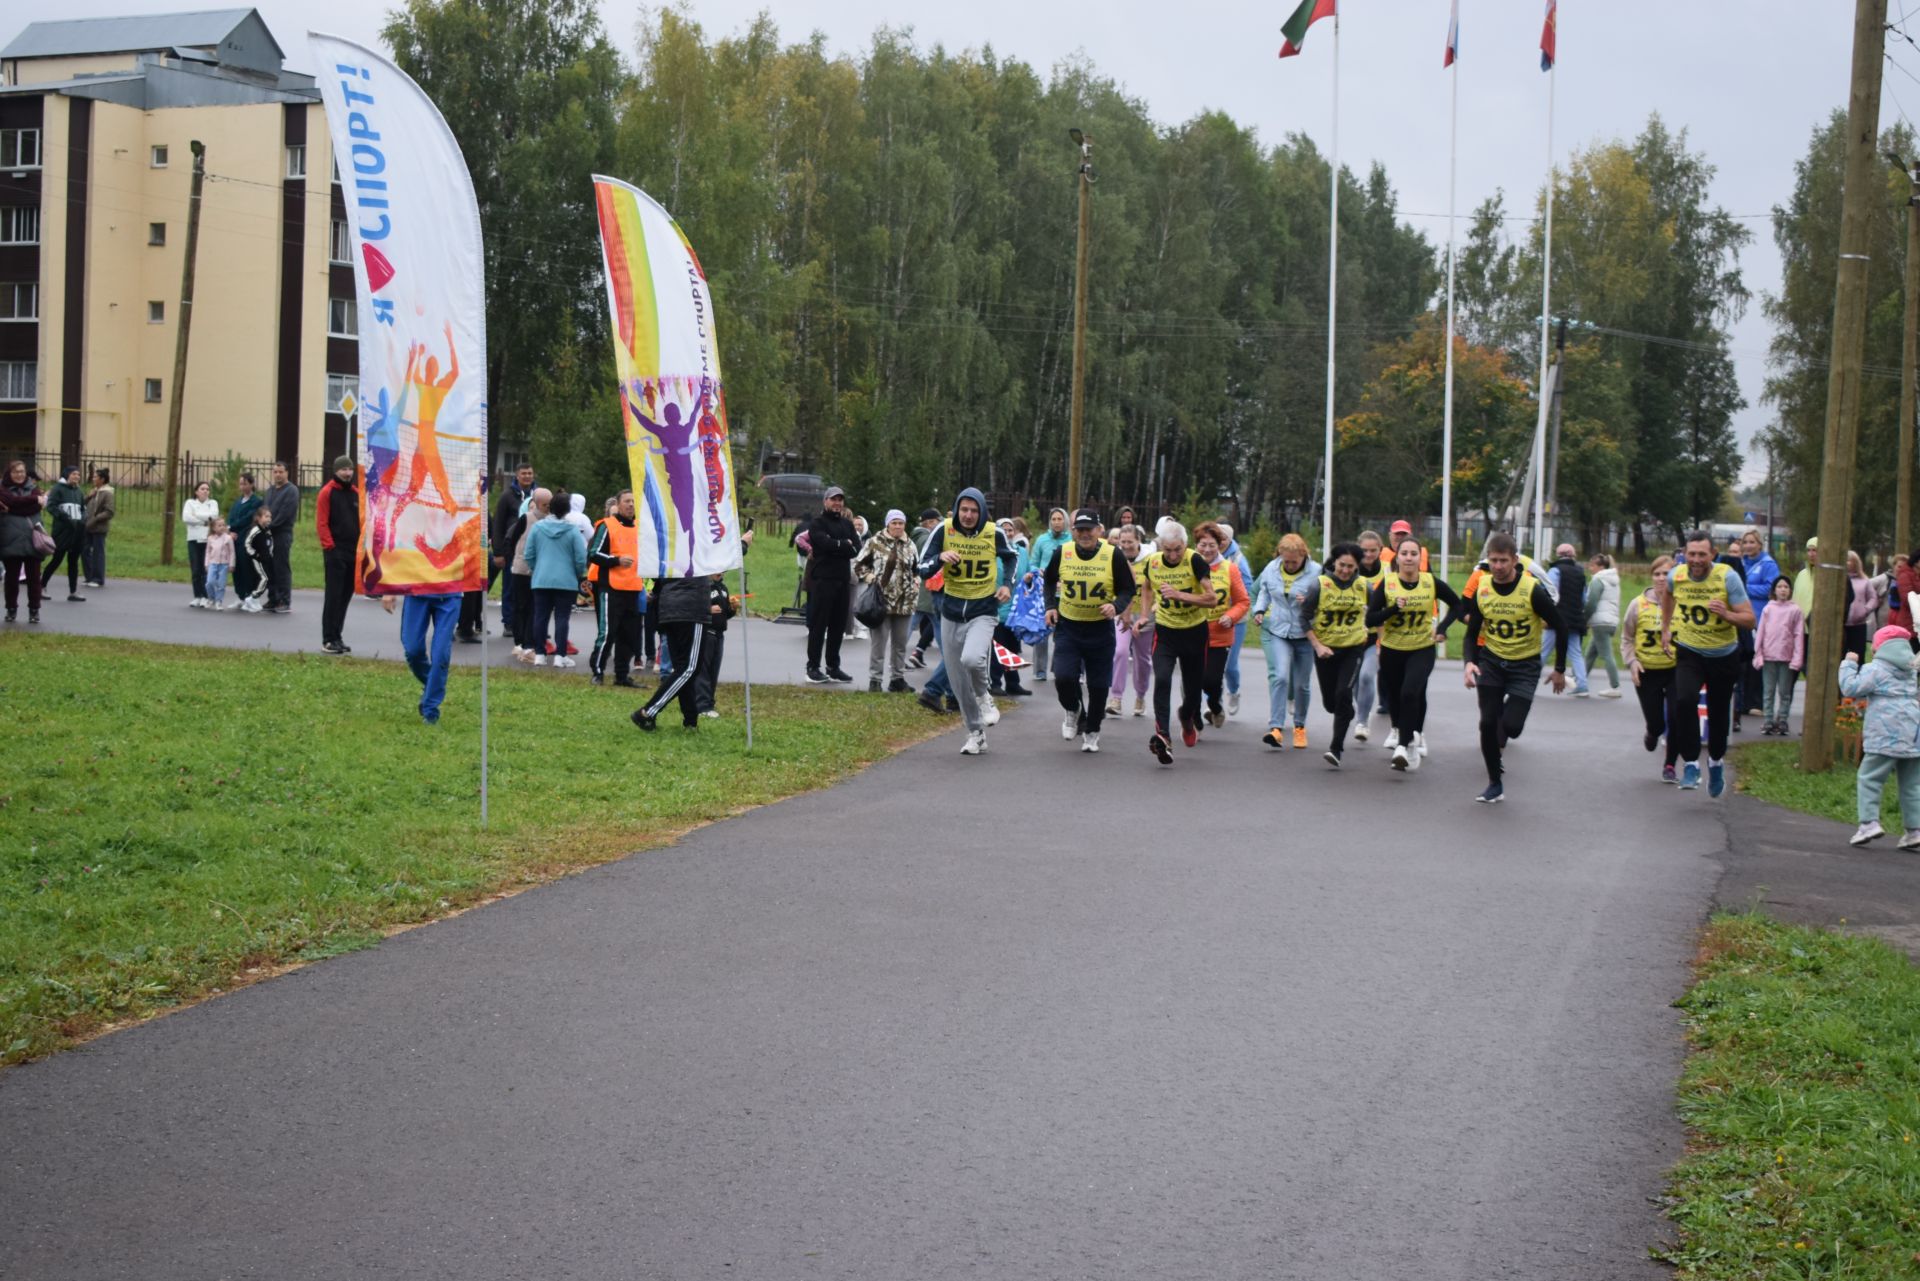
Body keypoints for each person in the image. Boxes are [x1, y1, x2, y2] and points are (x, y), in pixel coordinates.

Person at [1461, 532, 1568, 804]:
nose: (1497, 566)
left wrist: (1559, 669)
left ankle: (1504, 732)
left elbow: (1561, 626)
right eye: (1493, 560)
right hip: (1492, 662)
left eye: (1503, 561)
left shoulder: (1531, 589)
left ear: (1515, 560)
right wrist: (1469, 663)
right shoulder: (1483, 588)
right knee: (1487, 723)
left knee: (1512, 726)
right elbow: (1471, 633)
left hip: (1525, 665)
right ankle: (1494, 782)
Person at [916, 487, 1018, 756]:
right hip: (950, 611)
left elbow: (1011, 557)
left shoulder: (993, 532)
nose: (969, 515)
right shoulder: (944, 530)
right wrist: (939, 558)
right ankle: (975, 733)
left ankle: (985, 697)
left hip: (983, 609)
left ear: (982, 511)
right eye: (964, 510)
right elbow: (921, 566)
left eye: (974, 510)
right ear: (957, 510)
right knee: (958, 681)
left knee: (972, 659)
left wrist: (1007, 585)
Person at [1661, 529, 1758, 797]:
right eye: (1691, 554)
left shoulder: (1727, 577)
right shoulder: (1676, 575)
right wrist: (1666, 628)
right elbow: (1667, 594)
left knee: (1717, 716)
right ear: (1684, 555)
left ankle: (1715, 762)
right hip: (1689, 650)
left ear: (1713, 554)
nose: (1696, 559)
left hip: (1723, 655)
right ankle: (1691, 764)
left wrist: (1726, 614)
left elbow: (1750, 620)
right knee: (1684, 700)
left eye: (1702, 554)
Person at [1044, 508, 1136, 752]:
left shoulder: (1112, 554)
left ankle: (1092, 730)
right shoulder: (1062, 552)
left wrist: (1115, 606)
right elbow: (1049, 580)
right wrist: (1050, 606)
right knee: (1063, 677)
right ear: (1073, 531)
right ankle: (1073, 709)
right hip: (1069, 626)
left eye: (1089, 529)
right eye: (1080, 530)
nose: (1085, 534)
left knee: (1098, 686)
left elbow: (1128, 588)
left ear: (1099, 530)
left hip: (1099, 630)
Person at [1368, 533, 1462, 771]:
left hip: (1422, 648)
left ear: (1420, 558)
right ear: (1396, 557)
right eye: (1404, 553)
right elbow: (1370, 618)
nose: (1409, 558)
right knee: (1398, 695)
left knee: (1411, 691)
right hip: (1392, 649)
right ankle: (1407, 733)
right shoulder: (1387, 584)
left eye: (1413, 554)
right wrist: (1392, 610)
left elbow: (1458, 605)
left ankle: (1403, 745)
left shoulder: (1430, 582)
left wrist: (1441, 627)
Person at [1141, 520, 1217, 764]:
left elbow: (1212, 599)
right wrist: (1144, 615)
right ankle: (1163, 735)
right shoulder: (1153, 562)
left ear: (1185, 545)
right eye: (1168, 550)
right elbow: (1146, 587)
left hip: (1194, 632)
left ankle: (1186, 717)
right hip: (1165, 632)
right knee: (1162, 679)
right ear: (1160, 546)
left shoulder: (1194, 560)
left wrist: (1179, 594)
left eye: (1177, 549)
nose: (1173, 555)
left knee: (1193, 692)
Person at [1839, 625, 1920, 847]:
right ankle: (1915, 830)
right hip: (1913, 731)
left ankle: (1868, 824)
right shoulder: (1911, 669)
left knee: (1870, 777)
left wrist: (1849, 664)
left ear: (1878, 649)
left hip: (1885, 731)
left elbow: (1850, 688)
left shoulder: (1876, 669)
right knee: (1912, 784)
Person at [1303, 540, 1372, 768]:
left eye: (1350, 567)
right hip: (1326, 650)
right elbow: (1303, 617)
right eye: (1342, 565)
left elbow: (1379, 609)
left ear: (1357, 567)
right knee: (1332, 704)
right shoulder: (1319, 585)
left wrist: (1373, 634)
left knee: (1344, 693)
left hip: (1353, 648)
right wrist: (1317, 645)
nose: (1345, 571)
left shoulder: (1364, 586)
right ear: (1334, 562)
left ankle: (1336, 748)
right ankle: (1346, 712)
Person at [1250, 532, 1320, 750]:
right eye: (1285, 561)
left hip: (1305, 633)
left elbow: (1328, 598)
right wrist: (1259, 610)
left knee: (1301, 684)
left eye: (1294, 561)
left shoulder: (1317, 571)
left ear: (1303, 556)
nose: (1289, 565)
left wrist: (1310, 601)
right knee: (1280, 677)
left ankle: (1299, 727)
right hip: (1279, 631)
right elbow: (1264, 591)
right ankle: (1276, 729)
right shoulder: (1272, 568)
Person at [631, 573, 719, 732]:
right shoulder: (697, 548)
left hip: (668, 608)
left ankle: (691, 722)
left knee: (682, 669)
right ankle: (647, 712)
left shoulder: (671, 548)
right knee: (689, 669)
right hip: (692, 608)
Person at [1622, 556, 1681, 782]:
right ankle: (1652, 732)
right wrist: (1632, 662)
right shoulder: (1638, 605)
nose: (1661, 578)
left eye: (1666, 574)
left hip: (1675, 669)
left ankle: (1669, 765)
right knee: (1657, 724)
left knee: (1676, 717)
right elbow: (1627, 638)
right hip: (1647, 671)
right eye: (1657, 574)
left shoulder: (1680, 603)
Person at [465, 462, 533, 643]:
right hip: (511, 550)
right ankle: (509, 623)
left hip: (532, 551)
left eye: (529, 473)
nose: (527, 476)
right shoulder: (507, 496)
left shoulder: (538, 495)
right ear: (517, 476)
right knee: (510, 588)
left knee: (531, 589)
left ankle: (529, 624)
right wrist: (498, 552)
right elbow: (497, 524)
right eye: (524, 473)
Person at [853, 509, 921, 693]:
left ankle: (897, 679)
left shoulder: (910, 545)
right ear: (888, 524)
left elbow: (916, 569)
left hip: (905, 602)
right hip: (880, 601)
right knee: (879, 644)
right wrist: (869, 577)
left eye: (901, 523)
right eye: (894, 523)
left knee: (900, 644)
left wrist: (916, 580)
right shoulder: (875, 543)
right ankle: (875, 680)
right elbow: (858, 564)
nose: (898, 526)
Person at [1194, 522, 1250, 732]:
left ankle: (1215, 706)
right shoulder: (1188, 565)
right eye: (1202, 544)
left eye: (1212, 545)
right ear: (1196, 545)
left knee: (1211, 680)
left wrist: (1230, 616)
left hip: (1219, 635)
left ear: (1220, 546)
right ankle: (1193, 719)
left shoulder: (1230, 569)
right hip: (1190, 632)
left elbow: (1243, 601)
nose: (1207, 550)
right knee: (1192, 678)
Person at [587, 490, 646, 688]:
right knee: (607, 633)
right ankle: (598, 671)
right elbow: (593, 554)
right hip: (611, 587)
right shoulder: (607, 525)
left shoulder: (641, 527)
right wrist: (616, 560)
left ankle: (622, 675)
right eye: (627, 501)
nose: (631, 505)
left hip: (634, 587)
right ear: (618, 505)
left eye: (633, 502)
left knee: (629, 635)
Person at [802, 486, 860, 683]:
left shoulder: (847, 524)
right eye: (833, 499)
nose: (837, 503)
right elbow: (822, 543)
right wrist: (842, 545)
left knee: (838, 625)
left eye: (840, 500)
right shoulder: (817, 523)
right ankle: (813, 666)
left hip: (842, 581)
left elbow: (856, 548)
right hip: (822, 581)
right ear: (825, 501)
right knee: (819, 625)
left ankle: (833, 666)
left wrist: (838, 545)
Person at [523, 494, 586, 668]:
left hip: (541, 579)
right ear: (567, 510)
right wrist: (577, 572)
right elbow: (580, 557)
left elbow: (528, 554)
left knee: (540, 617)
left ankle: (540, 655)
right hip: (566, 581)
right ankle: (560, 656)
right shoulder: (573, 530)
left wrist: (538, 568)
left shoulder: (538, 528)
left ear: (550, 508)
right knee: (562, 618)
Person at [383, 590, 461, 725]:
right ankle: (432, 685)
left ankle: (430, 711)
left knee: (441, 654)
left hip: (450, 594)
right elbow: (398, 567)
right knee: (413, 650)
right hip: (417, 592)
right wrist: (390, 590)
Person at [315, 456, 361, 655]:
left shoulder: (355, 494)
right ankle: (328, 639)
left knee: (344, 597)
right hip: (335, 553)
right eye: (343, 469)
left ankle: (338, 636)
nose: (347, 473)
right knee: (333, 597)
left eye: (350, 469)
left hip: (353, 553)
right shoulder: (327, 492)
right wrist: (330, 547)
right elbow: (322, 523)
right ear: (336, 471)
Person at [1107, 524, 1152, 718]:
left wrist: (1147, 614)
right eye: (1122, 542)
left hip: (1145, 616)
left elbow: (1153, 590)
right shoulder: (1116, 559)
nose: (1125, 545)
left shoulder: (1150, 560)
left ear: (1138, 541)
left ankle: (1140, 696)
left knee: (1142, 660)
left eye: (1129, 542)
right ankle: (1116, 698)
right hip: (1122, 613)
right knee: (1120, 652)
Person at [1025, 508, 1073, 682]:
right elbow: (1032, 562)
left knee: (1063, 634)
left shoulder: (1071, 540)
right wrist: (1037, 571)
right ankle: (1039, 670)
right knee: (1042, 632)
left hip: (1066, 592)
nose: (1057, 522)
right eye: (1054, 518)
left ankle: (1059, 668)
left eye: (1060, 519)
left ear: (1065, 521)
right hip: (1044, 591)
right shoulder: (1042, 540)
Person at [1752, 575, 1804, 736]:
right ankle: (1768, 720)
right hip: (1768, 656)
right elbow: (1761, 632)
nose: (1783, 590)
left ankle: (1782, 720)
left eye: (1786, 587)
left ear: (1790, 591)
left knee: (1784, 691)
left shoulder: (1795, 610)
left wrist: (1797, 658)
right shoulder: (1768, 609)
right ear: (1774, 590)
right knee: (1768, 691)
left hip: (1786, 658)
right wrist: (1758, 653)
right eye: (1780, 587)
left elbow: (1798, 635)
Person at [504, 488, 548, 660]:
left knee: (534, 607)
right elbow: (512, 539)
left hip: (540, 571)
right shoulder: (526, 518)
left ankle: (530, 642)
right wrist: (513, 559)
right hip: (521, 569)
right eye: (545, 504)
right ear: (536, 504)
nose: (547, 508)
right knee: (520, 606)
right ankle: (519, 641)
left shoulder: (551, 520)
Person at [1218, 522, 1257, 717]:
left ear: (1230, 539)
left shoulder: (1238, 559)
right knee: (1213, 663)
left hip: (1236, 619)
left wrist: (1235, 607)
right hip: (1212, 616)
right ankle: (1214, 701)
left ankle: (1233, 692)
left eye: (1224, 538)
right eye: (1217, 537)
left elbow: (1248, 587)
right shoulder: (1206, 557)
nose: (1220, 541)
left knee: (1229, 664)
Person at [1540, 543, 1590, 697]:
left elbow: (1549, 592)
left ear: (1558, 554)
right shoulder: (1580, 572)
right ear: (1573, 555)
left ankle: (1527, 680)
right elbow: (1584, 598)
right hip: (1575, 617)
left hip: (1557, 617)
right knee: (1575, 652)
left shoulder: (1555, 571)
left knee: (1543, 651)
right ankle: (1582, 685)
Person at [0, 459, 46, 624]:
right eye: (15, 472)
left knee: (34, 579)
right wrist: (34, 500)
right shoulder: (3, 488)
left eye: (22, 471)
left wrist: (13, 509)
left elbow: (29, 508)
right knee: (11, 580)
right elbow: (11, 501)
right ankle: (11, 609)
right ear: (9, 473)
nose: (19, 475)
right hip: (10, 541)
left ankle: (34, 610)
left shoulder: (34, 488)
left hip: (33, 540)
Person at [1351, 529, 1388, 732]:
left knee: (1367, 676)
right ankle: (1362, 711)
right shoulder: (1350, 569)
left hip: (1376, 635)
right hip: (1352, 635)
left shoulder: (1388, 571)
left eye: (1373, 550)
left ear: (1380, 550)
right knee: (1356, 681)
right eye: (1364, 550)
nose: (1368, 554)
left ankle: (1362, 723)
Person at [39, 465, 86, 602]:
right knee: (57, 560)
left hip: (77, 531)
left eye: (78, 474)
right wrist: (65, 517)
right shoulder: (58, 489)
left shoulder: (79, 491)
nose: (76, 477)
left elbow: (83, 508)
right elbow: (51, 506)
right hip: (62, 532)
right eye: (73, 474)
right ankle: (41, 587)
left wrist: (83, 519)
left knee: (74, 562)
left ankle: (73, 591)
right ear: (66, 475)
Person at [694, 573, 736, 717]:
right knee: (703, 671)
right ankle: (702, 706)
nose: (720, 572)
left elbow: (725, 614)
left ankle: (709, 703)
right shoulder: (701, 586)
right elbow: (692, 607)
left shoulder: (723, 588)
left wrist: (732, 608)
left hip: (719, 634)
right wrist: (707, 609)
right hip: (706, 632)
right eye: (716, 569)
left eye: (723, 569)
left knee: (713, 671)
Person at [1583, 553, 1623, 698]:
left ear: (1601, 567)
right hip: (1611, 620)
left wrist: (1584, 619)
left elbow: (1592, 602)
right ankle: (1580, 681)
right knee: (1591, 653)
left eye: (1592, 565)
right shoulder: (1613, 580)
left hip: (1600, 621)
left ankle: (1615, 686)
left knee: (1606, 654)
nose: (1589, 568)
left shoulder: (1598, 580)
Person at [906, 508, 942, 669]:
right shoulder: (927, 538)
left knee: (922, 623)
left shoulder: (917, 537)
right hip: (927, 586)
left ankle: (899, 657)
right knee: (937, 625)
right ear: (929, 523)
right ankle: (948, 659)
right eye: (937, 521)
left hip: (922, 587)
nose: (939, 524)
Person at [224, 472, 264, 605]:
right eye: (241, 484)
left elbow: (248, 518)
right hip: (234, 539)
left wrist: (232, 526)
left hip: (246, 539)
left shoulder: (257, 501)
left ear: (251, 484)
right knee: (237, 568)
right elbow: (231, 517)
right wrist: (229, 530)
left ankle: (249, 595)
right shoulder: (237, 502)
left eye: (245, 484)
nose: (242, 486)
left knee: (247, 567)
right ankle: (240, 595)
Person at [264, 461, 298, 612]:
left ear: (286, 473)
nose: (278, 474)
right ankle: (273, 599)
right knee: (269, 567)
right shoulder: (270, 490)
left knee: (281, 567)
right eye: (275, 472)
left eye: (280, 472)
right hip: (267, 534)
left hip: (282, 533)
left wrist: (270, 526)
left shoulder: (291, 490)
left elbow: (285, 513)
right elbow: (264, 510)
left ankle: (284, 600)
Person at [181, 480, 219, 608]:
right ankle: (197, 596)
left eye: (207, 489)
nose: (205, 491)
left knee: (205, 568)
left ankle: (206, 596)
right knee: (195, 569)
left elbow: (214, 516)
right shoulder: (190, 503)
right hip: (193, 539)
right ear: (196, 491)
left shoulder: (213, 503)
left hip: (208, 539)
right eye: (202, 489)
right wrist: (204, 521)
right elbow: (186, 518)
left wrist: (196, 517)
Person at [82, 467, 115, 588]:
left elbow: (109, 512)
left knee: (98, 553)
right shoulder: (95, 491)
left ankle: (98, 578)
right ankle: (89, 576)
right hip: (88, 527)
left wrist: (95, 519)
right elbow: (83, 504)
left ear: (102, 479)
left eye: (96, 477)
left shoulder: (108, 493)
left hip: (99, 528)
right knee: (85, 551)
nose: (93, 478)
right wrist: (89, 496)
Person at [1843, 550, 1878, 661]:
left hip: (1858, 624)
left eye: (1849, 560)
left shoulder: (1864, 581)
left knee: (1858, 654)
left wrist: (1865, 609)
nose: (1847, 563)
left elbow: (1873, 598)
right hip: (1842, 624)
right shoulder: (1840, 580)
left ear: (1855, 563)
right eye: (1845, 560)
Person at [241, 507, 275, 613]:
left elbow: (270, 543)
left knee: (265, 579)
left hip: (266, 559)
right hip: (257, 559)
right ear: (258, 518)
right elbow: (247, 543)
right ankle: (252, 598)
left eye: (270, 516)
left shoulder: (267, 530)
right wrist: (255, 555)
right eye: (266, 516)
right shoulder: (255, 530)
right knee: (265, 579)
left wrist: (270, 554)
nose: (269, 519)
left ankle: (250, 603)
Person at [204, 518, 235, 611]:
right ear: (213, 528)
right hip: (213, 563)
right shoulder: (210, 538)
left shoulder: (228, 538)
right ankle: (211, 598)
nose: (222, 527)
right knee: (209, 582)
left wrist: (231, 564)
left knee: (221, 585)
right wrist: (207, 564)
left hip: (224, 564)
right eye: (219, 525)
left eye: (223, 525)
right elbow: (208, 552)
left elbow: (232, 552)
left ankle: (219, 601)